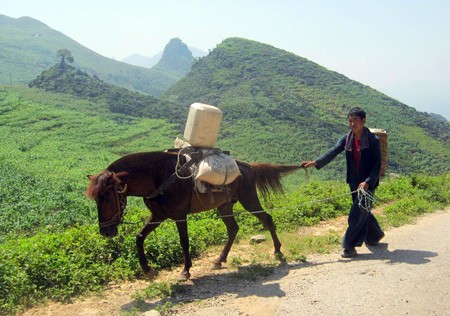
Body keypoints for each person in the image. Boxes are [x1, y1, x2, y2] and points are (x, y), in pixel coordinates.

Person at [301, 107, 385, 258]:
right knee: (362, 210)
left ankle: (349, 246)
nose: (352, 124)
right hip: (353, 182)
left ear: (363, 121)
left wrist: (367, 182)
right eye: (350, 121)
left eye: (356, 121)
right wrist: (316, 162)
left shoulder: (373, 140)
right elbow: (333, 152)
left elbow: (377, 165)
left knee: (356, 214)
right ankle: (375, 235)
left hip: (367, 184)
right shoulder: (347, 139)